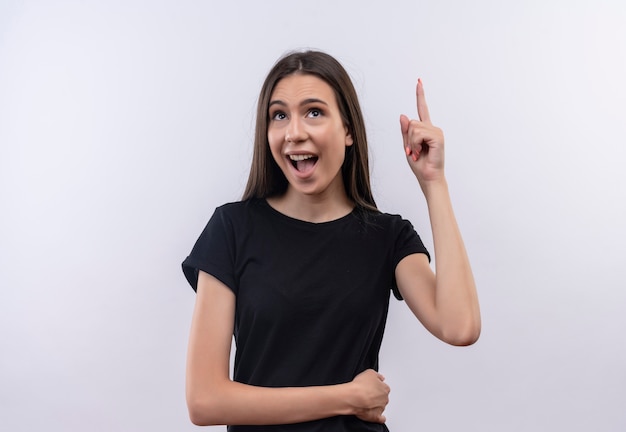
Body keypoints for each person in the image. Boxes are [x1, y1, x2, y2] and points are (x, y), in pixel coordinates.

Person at [182, 50, 480, 431]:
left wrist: (434, 183)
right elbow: (204, 401)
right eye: (279, 115)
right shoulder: (233, 228)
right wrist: (348, 397)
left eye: (314, 112)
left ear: (348, 130)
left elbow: (460, 327)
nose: (294, 132)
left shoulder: (387, 236)